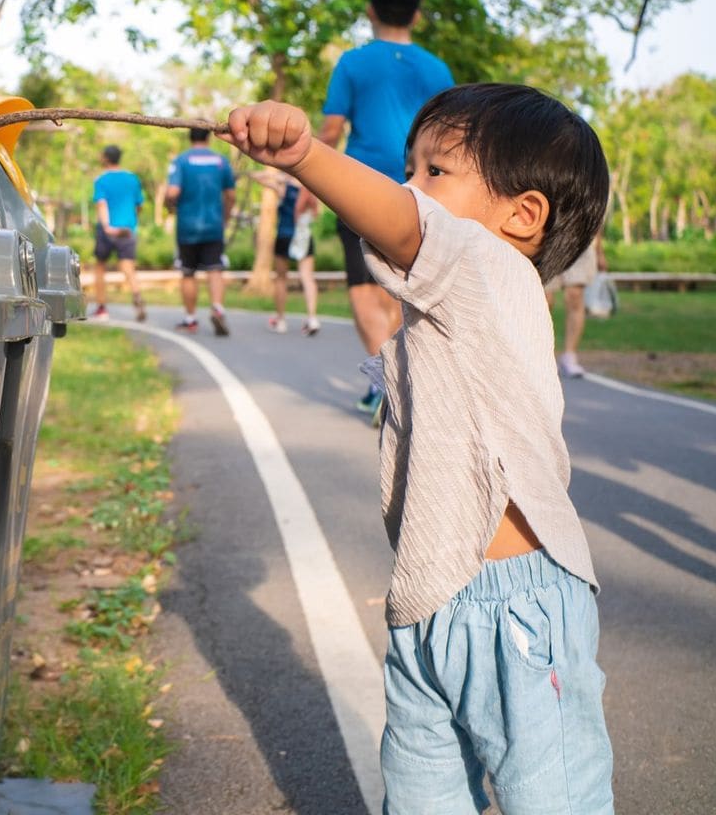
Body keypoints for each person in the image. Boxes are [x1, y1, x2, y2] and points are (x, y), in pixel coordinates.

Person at [222, 86, 614, 814]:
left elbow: (405, 224)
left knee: (556, 799)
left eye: (435, 172)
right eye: (410, 169)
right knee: (421, 796)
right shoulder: (446, 310)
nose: (408, 189)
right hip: (427, 601)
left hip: (516, 613)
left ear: (521, 217)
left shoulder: (492, 269)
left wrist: (306, 155)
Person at [316, 0, 454, 414]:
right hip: (422, 194)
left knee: (361, 285)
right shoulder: (438, 69)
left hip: (358, 188)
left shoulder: (353, 63)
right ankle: (399, 378)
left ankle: (385, 381)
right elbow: (451, 138)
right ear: (416, 15)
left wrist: (308, 180)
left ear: (370, 10)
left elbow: (332, 129)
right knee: (402, 289)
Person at [165, 127, 236, 335]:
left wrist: (170, 205)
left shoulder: (181, 161)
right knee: (215, 268)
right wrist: (225, 218)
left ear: (190, 137)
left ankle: (190, 319)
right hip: (214, 225)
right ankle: (217, 309)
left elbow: (173, 191)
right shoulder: (221, 161)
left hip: (187, 226)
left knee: (188, 273)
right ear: (208, 136)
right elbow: (231, 195)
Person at [252, 170, 321, 335]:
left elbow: (258, 177)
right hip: (304, 237)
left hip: (285, 235)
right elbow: (316, 213)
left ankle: (281, 320)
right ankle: (312, 318)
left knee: (281, 279)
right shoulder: (311, 188)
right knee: (307, 277)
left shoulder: (284, 188)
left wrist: (279, 177)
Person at [90, 145, 147, 322]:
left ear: (106, 158)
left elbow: (101, 203)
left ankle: (101, 308)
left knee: (100, 266)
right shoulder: (132, 179)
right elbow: (139, 205)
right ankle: (137, 295)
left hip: (107, 229)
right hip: (128, 230)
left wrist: (107, 226)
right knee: (128, 267)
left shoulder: (101, 180)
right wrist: (132, 223)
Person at [545, 232, 607, 377]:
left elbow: (595, 213)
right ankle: (546, 355)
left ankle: (569, 356)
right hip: (549, 237)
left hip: (581, 240)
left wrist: (599, 252)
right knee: (545, 300)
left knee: (575, 295)